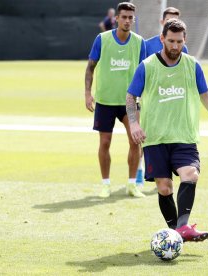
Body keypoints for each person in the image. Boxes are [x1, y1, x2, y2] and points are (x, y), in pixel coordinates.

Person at [126, 19, 208, 242]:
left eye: (179, 41)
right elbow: (131, 96)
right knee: (165, 188)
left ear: (184, 40)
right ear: (162, 40)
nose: (175, 46)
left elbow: (205, 95)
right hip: (155, 138)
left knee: (190, 175)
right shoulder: (147, 66)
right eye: (171, 41)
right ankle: (177, 232)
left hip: (184, 136)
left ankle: (182, 228)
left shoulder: (192, 65)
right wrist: (134, 123)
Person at [85, 2, 146, 198]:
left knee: (135, 141)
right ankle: (106, 184)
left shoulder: (139, 42)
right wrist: (87, 93)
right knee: (105, 142)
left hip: (129, 102)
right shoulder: (102, 39)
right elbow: (90, 67)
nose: (127, 21)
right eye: (124, 17)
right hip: (105, 101)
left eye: (130, 18)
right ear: (116, 19)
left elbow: (145, 73)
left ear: (133, 20)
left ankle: (131, 184)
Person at [135, 7, 190, 186]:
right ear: (162, 22)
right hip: (151, 102)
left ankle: (164, 174)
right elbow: (140, 72)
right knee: (145, 137)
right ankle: (139, 172)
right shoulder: (147, 44)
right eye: (168, 20)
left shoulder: (184, 49)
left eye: (175, 19)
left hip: (172, 102)